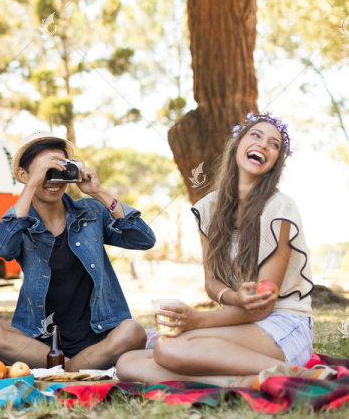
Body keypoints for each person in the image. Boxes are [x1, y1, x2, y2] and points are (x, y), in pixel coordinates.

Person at [116, 113, 337, 387]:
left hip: (282, 325)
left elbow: (261, 308)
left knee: (168, 348)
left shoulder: (280, 208)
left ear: (275, 163)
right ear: (237, 144)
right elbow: (211, 283)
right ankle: (244, 381)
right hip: (237, 323)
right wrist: (232, 296)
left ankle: (294, 372)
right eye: (255, 135)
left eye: (274, 144)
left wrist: (197, 320)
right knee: (127, 364)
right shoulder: (209, 207)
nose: (263, 145)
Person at [0, 131, 155, 372]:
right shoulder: (21, 222)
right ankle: (73, 369)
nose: (54, 179)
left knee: (133, 331)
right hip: (40, 342)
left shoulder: (90, 212)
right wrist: (31, 186)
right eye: (45, 171)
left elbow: (143, 238)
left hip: (97, 339)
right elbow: (3, 248)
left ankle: (62, 370)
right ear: (23, 175)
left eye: (59, 170)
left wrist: (99, 192)